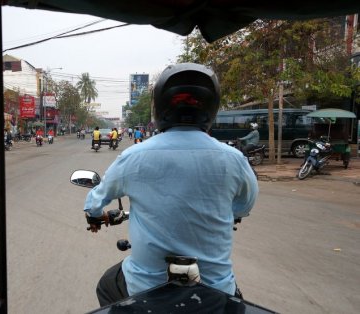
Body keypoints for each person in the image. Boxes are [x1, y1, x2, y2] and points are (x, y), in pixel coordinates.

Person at [82, 63, 258, 306]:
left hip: (144, 287)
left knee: (106, 284)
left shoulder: (134, 156)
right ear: (211, 107)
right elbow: (244, 206)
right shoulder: (234, 159)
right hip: (215, 288)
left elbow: (97, 199)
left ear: (160, 107)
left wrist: (93, 215)